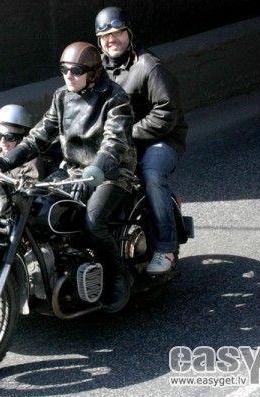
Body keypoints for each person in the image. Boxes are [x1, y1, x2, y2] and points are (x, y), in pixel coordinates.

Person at [0, 42, 137, 313]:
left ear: (93, 72)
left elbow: (114, 143)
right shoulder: (61, 96)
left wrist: (94, 172)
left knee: (93, 221)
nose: (69, 75)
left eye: (76, 70)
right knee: (29, 206)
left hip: (111, 173)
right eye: (64, 69)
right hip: (72, 171)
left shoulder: (115, 98)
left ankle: (118, 275)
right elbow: (37, 137)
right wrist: (5, 161)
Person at [94, 7, 189, 275]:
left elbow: (166, 113)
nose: (111, 40)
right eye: (105, 36)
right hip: (121, 140)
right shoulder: (97, 70)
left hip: (162, 138)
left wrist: (127, 135)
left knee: (151, 173)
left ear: (129, 33)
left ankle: (165, 249)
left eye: (117, 33)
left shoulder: (149, 66)